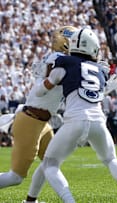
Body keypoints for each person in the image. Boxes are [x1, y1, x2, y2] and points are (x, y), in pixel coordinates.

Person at [30, 28, 117, 203]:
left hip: (75, 120)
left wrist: (41, 79)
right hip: (98, 121)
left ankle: (70, 201)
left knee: (49, 164)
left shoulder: (64, 62)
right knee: (111, 159)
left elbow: (40, 92)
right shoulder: (99, 69)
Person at [0, 26, 77, 202]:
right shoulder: (59, 58)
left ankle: (30, 200)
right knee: (16, 177)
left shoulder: (59, 59)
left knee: (51, 163)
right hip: (31, 120)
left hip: (42, 122)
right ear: (65, 43)